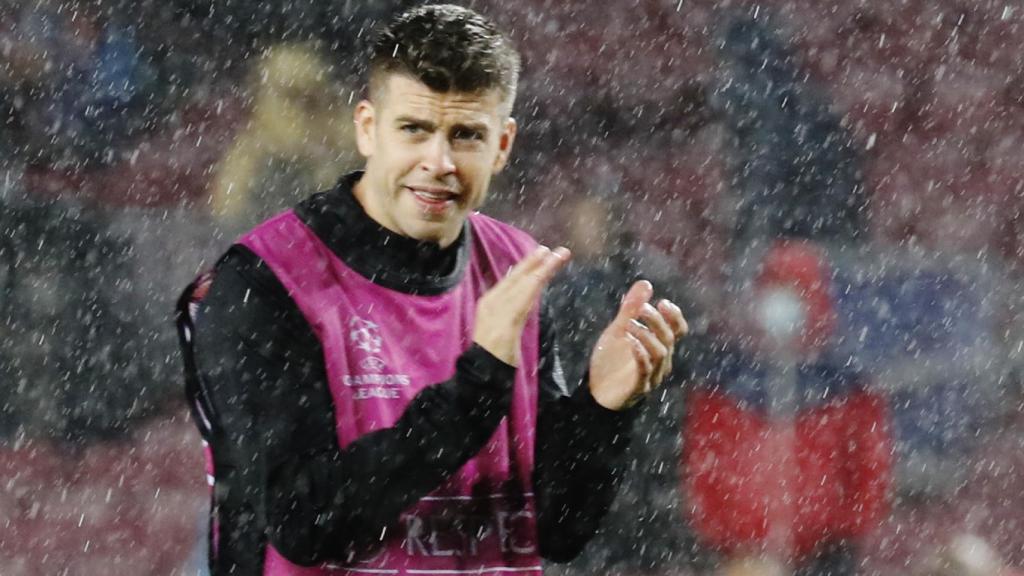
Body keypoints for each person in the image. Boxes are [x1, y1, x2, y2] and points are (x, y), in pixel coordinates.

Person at [174, 5, 688, 576]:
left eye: (466, 135)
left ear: (502, 145)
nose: (438, 162)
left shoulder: (517, 268)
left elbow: (556, 529)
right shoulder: (266, 280)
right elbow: (304, 522)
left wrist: (602, 409)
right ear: (367, 128)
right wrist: (479, 380)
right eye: (415, 129)